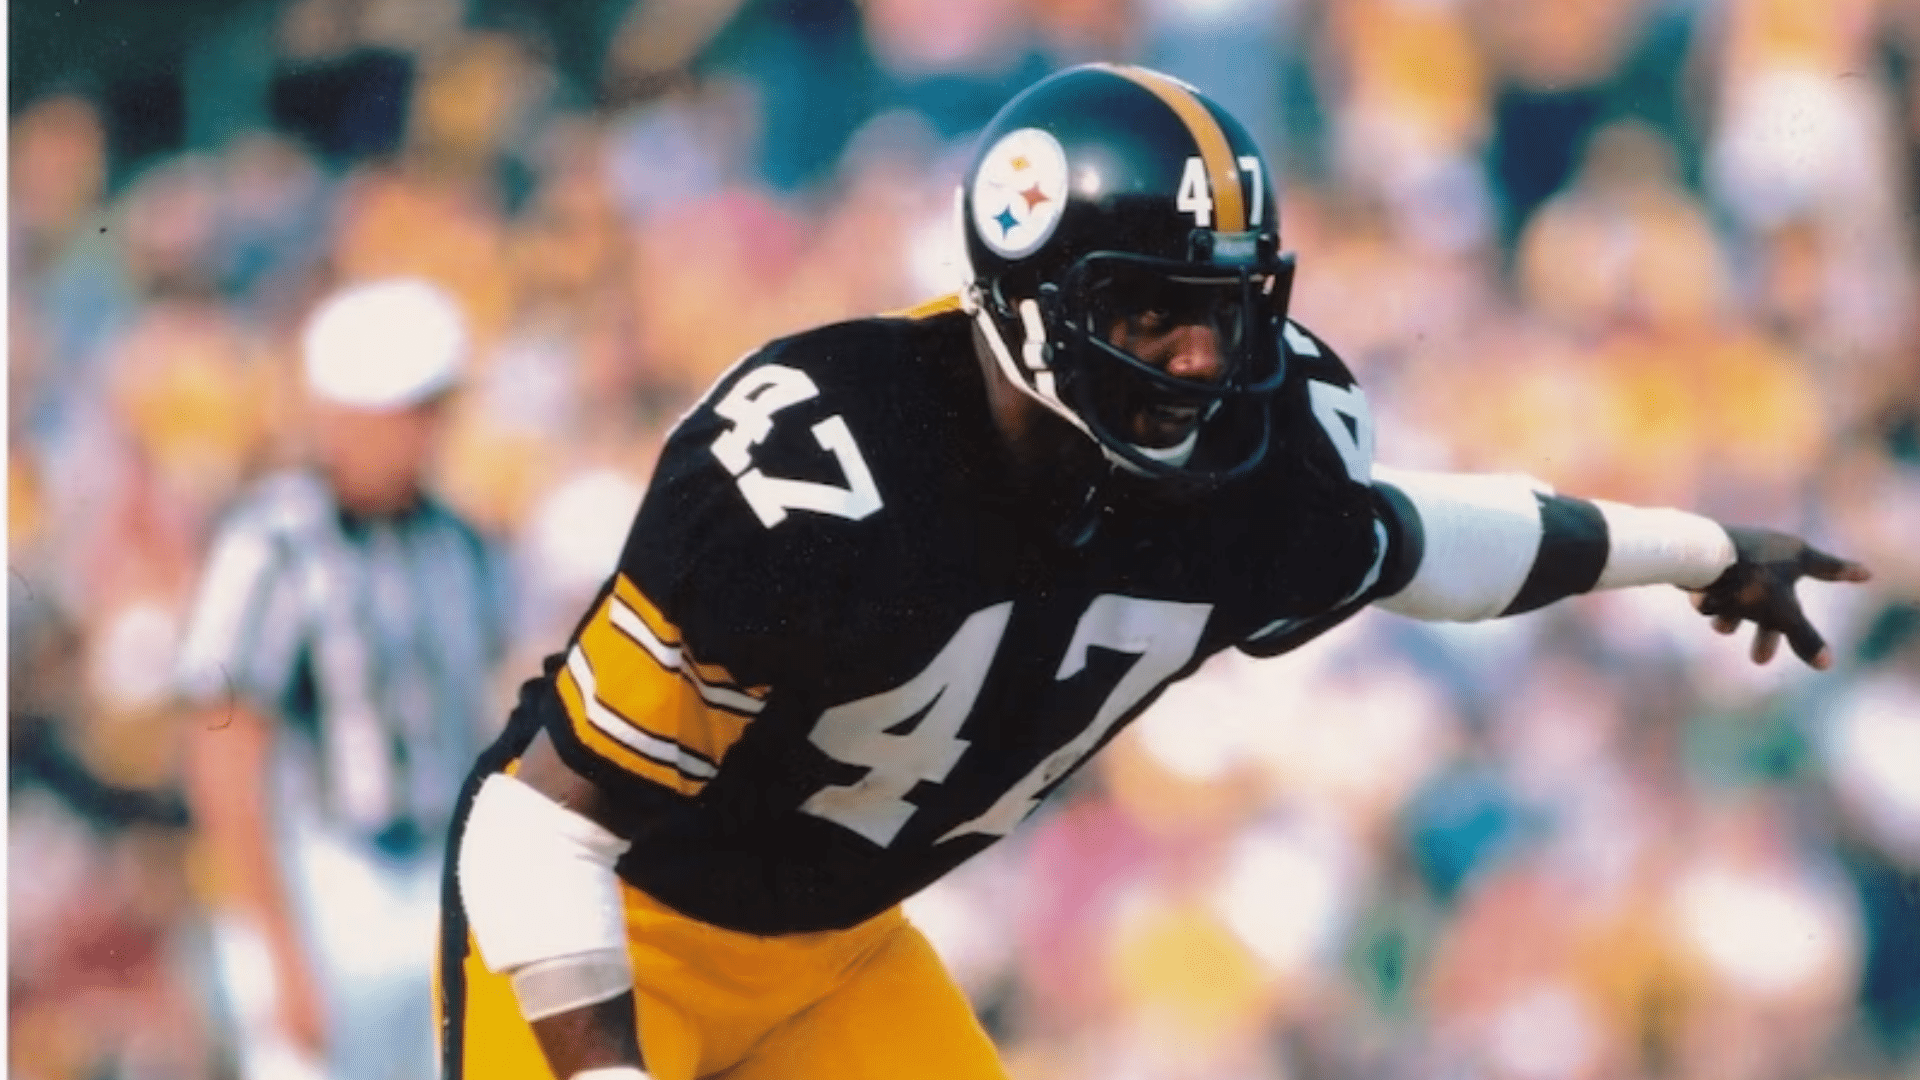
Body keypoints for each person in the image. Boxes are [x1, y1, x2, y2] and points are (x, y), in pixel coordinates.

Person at [438, 64, 1871, 1080]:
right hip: (615, 935)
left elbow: (1423, 548)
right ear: (1027, 297)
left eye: (1226, 312)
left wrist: (1696, 551)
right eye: (1152, 311)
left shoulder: (1249, 468)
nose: (1202, 361)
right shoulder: (828, 465)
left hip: (840, 953)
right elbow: (537, 831)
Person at [177, 277, 513, 1080]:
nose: (424, 435)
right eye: (407, 411)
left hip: (437, 873)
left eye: (432, 411)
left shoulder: (460, 541)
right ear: (342, 413)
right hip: (324, 879)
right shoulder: (274, 545)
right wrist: (279, 948)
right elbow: (223, 748)